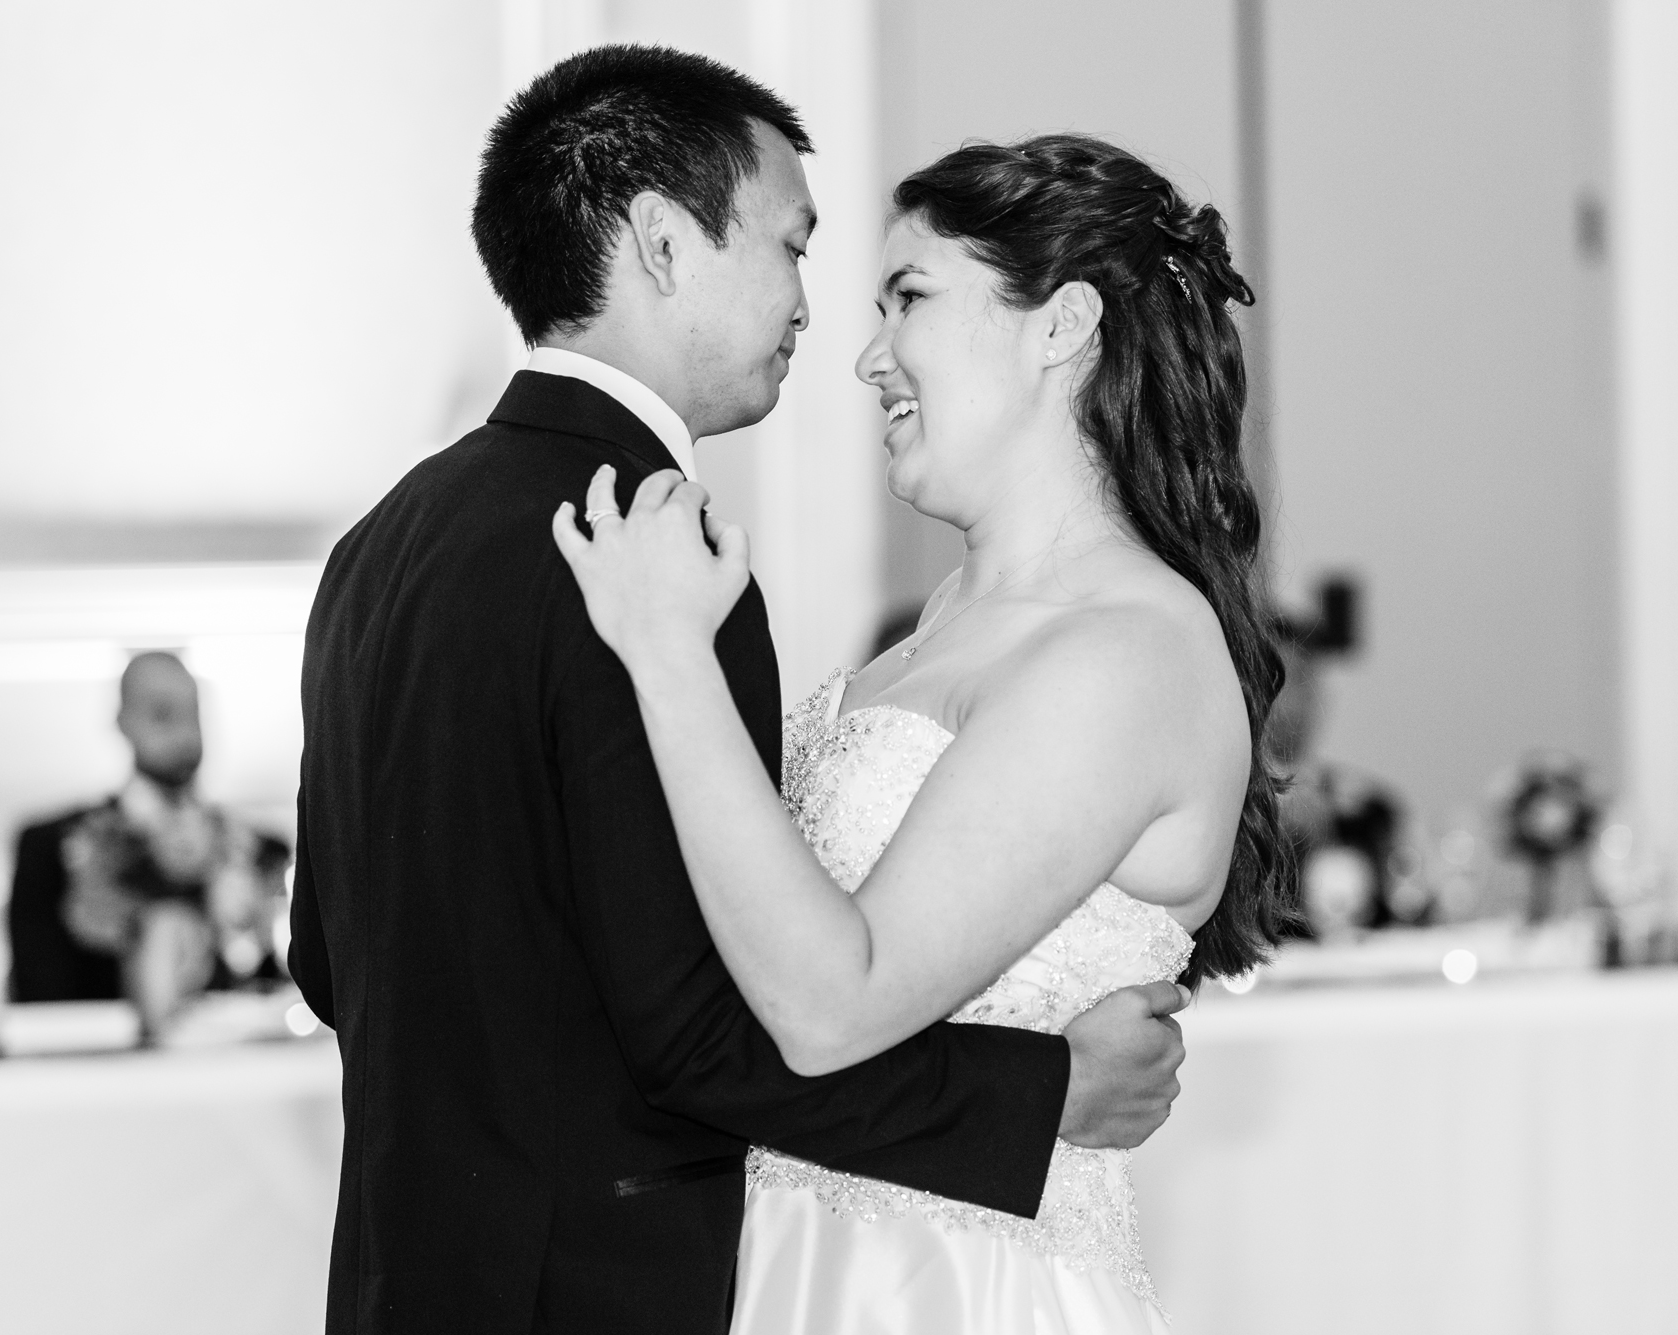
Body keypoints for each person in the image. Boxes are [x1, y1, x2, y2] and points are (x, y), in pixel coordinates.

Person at [287, 48, 1189, 1335]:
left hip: (407, 1273)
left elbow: (326, 961)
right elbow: (695, 1032)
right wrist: (1038, 1097)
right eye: (790, 245)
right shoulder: (652, 552)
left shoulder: (380, 546)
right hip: (601, 1285)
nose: (813, 311)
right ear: (660, 243)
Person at [554, 134, 1297, 1331]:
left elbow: (832, 1005)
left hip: (952, 1289)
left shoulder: (1126, 652)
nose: (863, 356)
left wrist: (666, 654)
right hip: (800, 1263)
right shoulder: (947, 623)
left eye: (908, 297)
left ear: (1058, 326)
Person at [6, 651, 287, 1034]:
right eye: (162, 714)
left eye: (194, 714)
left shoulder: (262, 850)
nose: (185, 733)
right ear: (123, 722)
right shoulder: (52, 848)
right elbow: (39, 1002)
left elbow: (284, 992)